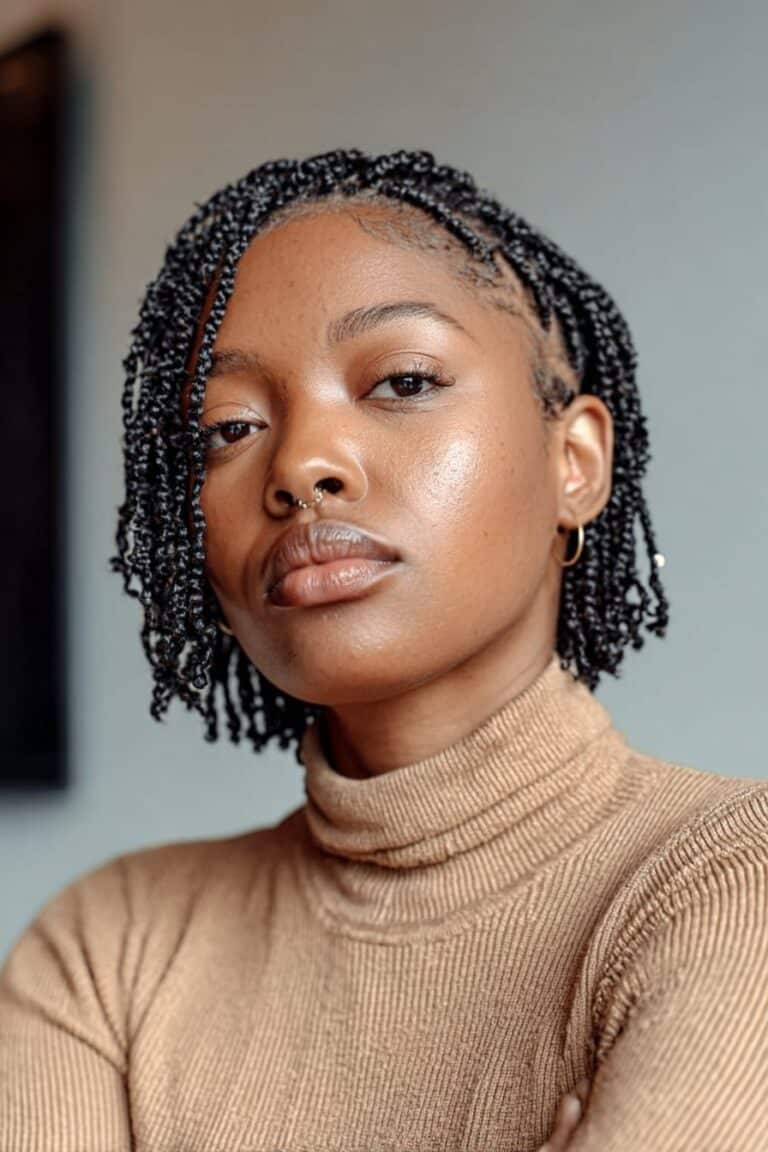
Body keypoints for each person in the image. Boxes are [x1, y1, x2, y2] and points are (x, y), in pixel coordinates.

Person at [0, 147, 766, 1152]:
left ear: (573, 462)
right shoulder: (112, 946)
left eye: (402, 380)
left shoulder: (727, 880)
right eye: (227, 428)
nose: (301, 466)